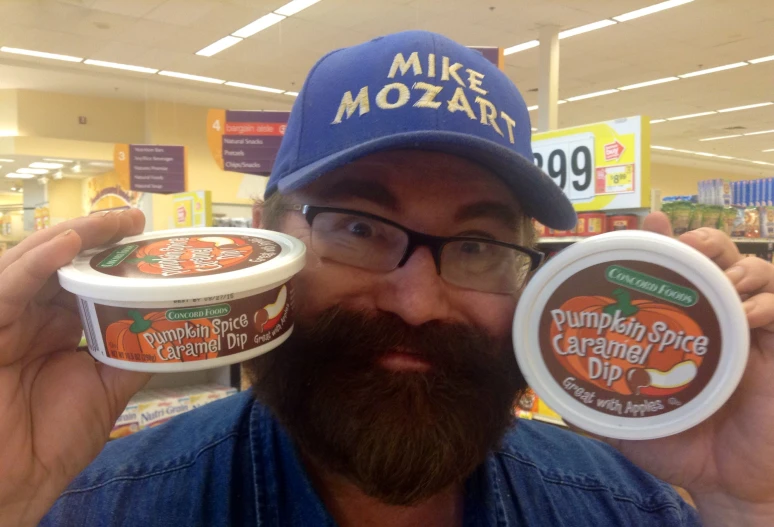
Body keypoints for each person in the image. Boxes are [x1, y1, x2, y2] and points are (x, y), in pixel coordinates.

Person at [1, 30, 772, 527]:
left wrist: (747, 501)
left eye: (476, 245)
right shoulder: (99, 506)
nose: (417, 299)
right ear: (268, 243)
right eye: (359, 227)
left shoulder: (621, 506)